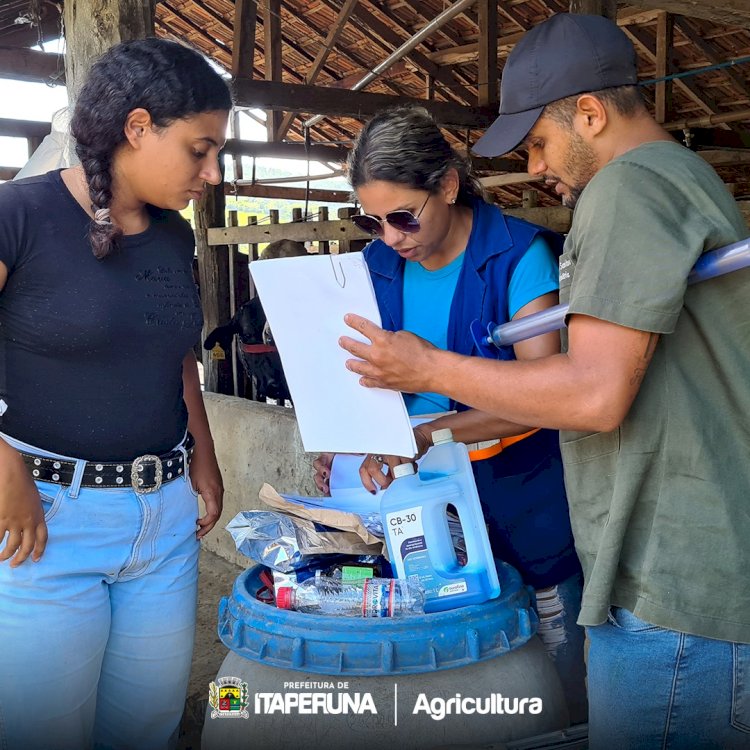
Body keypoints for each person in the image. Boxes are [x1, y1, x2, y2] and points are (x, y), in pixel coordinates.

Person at [339, 13, 750, 749]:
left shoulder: (625, 189)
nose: (533, 169)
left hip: (671, 588)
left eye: (538, 144)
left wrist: (426, 370)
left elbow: (592, 395)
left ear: (590, 114)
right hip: (682, 573)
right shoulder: (681, 180)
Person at [315, 106, 587, 723]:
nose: (390, 237)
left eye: (404, 217)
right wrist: (348, 438)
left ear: (447, 185)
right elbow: (358, 376)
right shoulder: (377, 267)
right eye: (373, 220)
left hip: (520, 496)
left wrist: (421, 432)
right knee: (451, 675)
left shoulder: (518, 257)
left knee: (549, 670)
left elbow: (542, 396)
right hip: (415, 500)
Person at [0, 38, 230, 749]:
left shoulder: (172, 237)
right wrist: (4, 466)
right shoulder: (20, 214)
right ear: (137, 128)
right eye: (200, 149)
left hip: (162, 525)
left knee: (145, 729)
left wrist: (204, 455)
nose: (213, 172)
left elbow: (175, 357)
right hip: (43, 526)